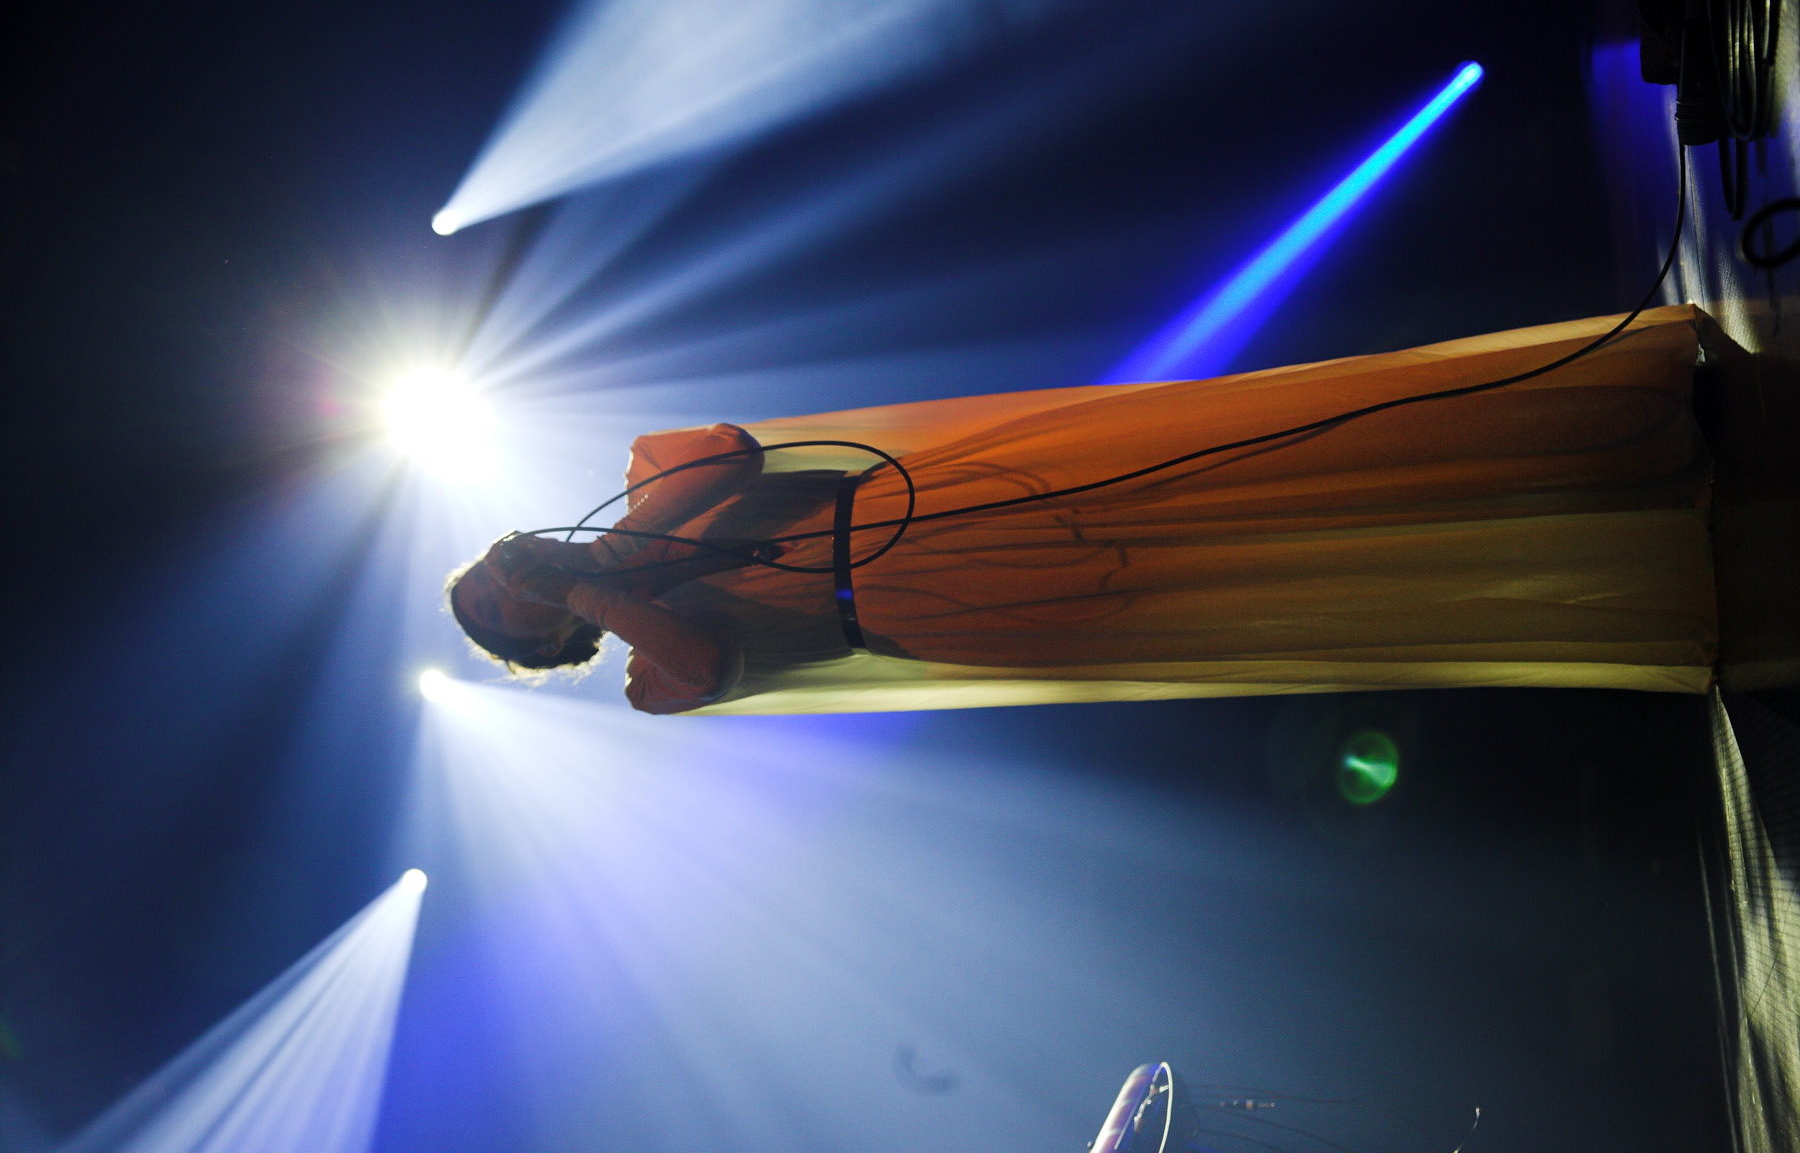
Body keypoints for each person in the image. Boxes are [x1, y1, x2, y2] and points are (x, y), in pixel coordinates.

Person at [448, 306, 1718, 715]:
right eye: (513, 608)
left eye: (509, 567)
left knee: (1258, 473)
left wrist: (599, 552)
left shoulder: (647, 477)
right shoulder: (644, 682)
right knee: (1273, 579)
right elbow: (700, 655)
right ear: (539, 643)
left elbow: (737, 461)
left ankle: (1605, 425)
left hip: (954, 504)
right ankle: (1630, 549)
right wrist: (594, 588)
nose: (526, 582)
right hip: (943, 607)